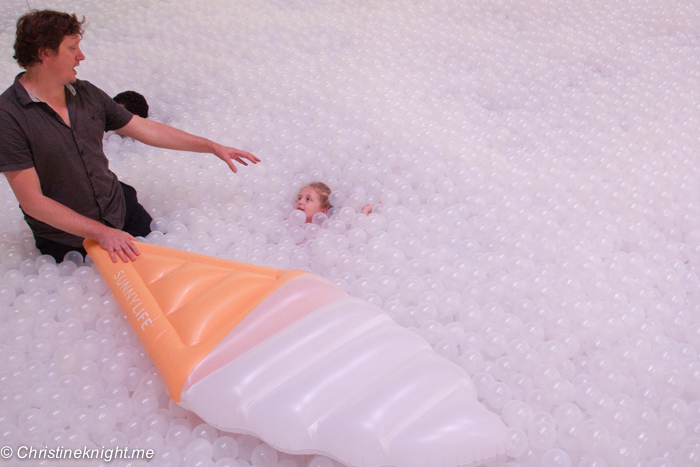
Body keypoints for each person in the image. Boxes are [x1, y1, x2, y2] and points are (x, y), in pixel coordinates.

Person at [0, 10, 260, 264]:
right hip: (67, 239)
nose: (81, 56)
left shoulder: (87, 94)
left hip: (119, 208)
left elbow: (145, 129)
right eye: (72, 48)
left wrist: (212, 147)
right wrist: (100, 233)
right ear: (45, 53)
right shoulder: (8, 117)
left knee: (172, 266)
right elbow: (33, 202)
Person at [295, 182, 372, 224]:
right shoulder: (292, 228)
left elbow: (356, 233)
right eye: (299, 198)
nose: (300, 202)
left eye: (308, 199)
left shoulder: (325, 230)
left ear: (323, 212)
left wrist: (365, 211)